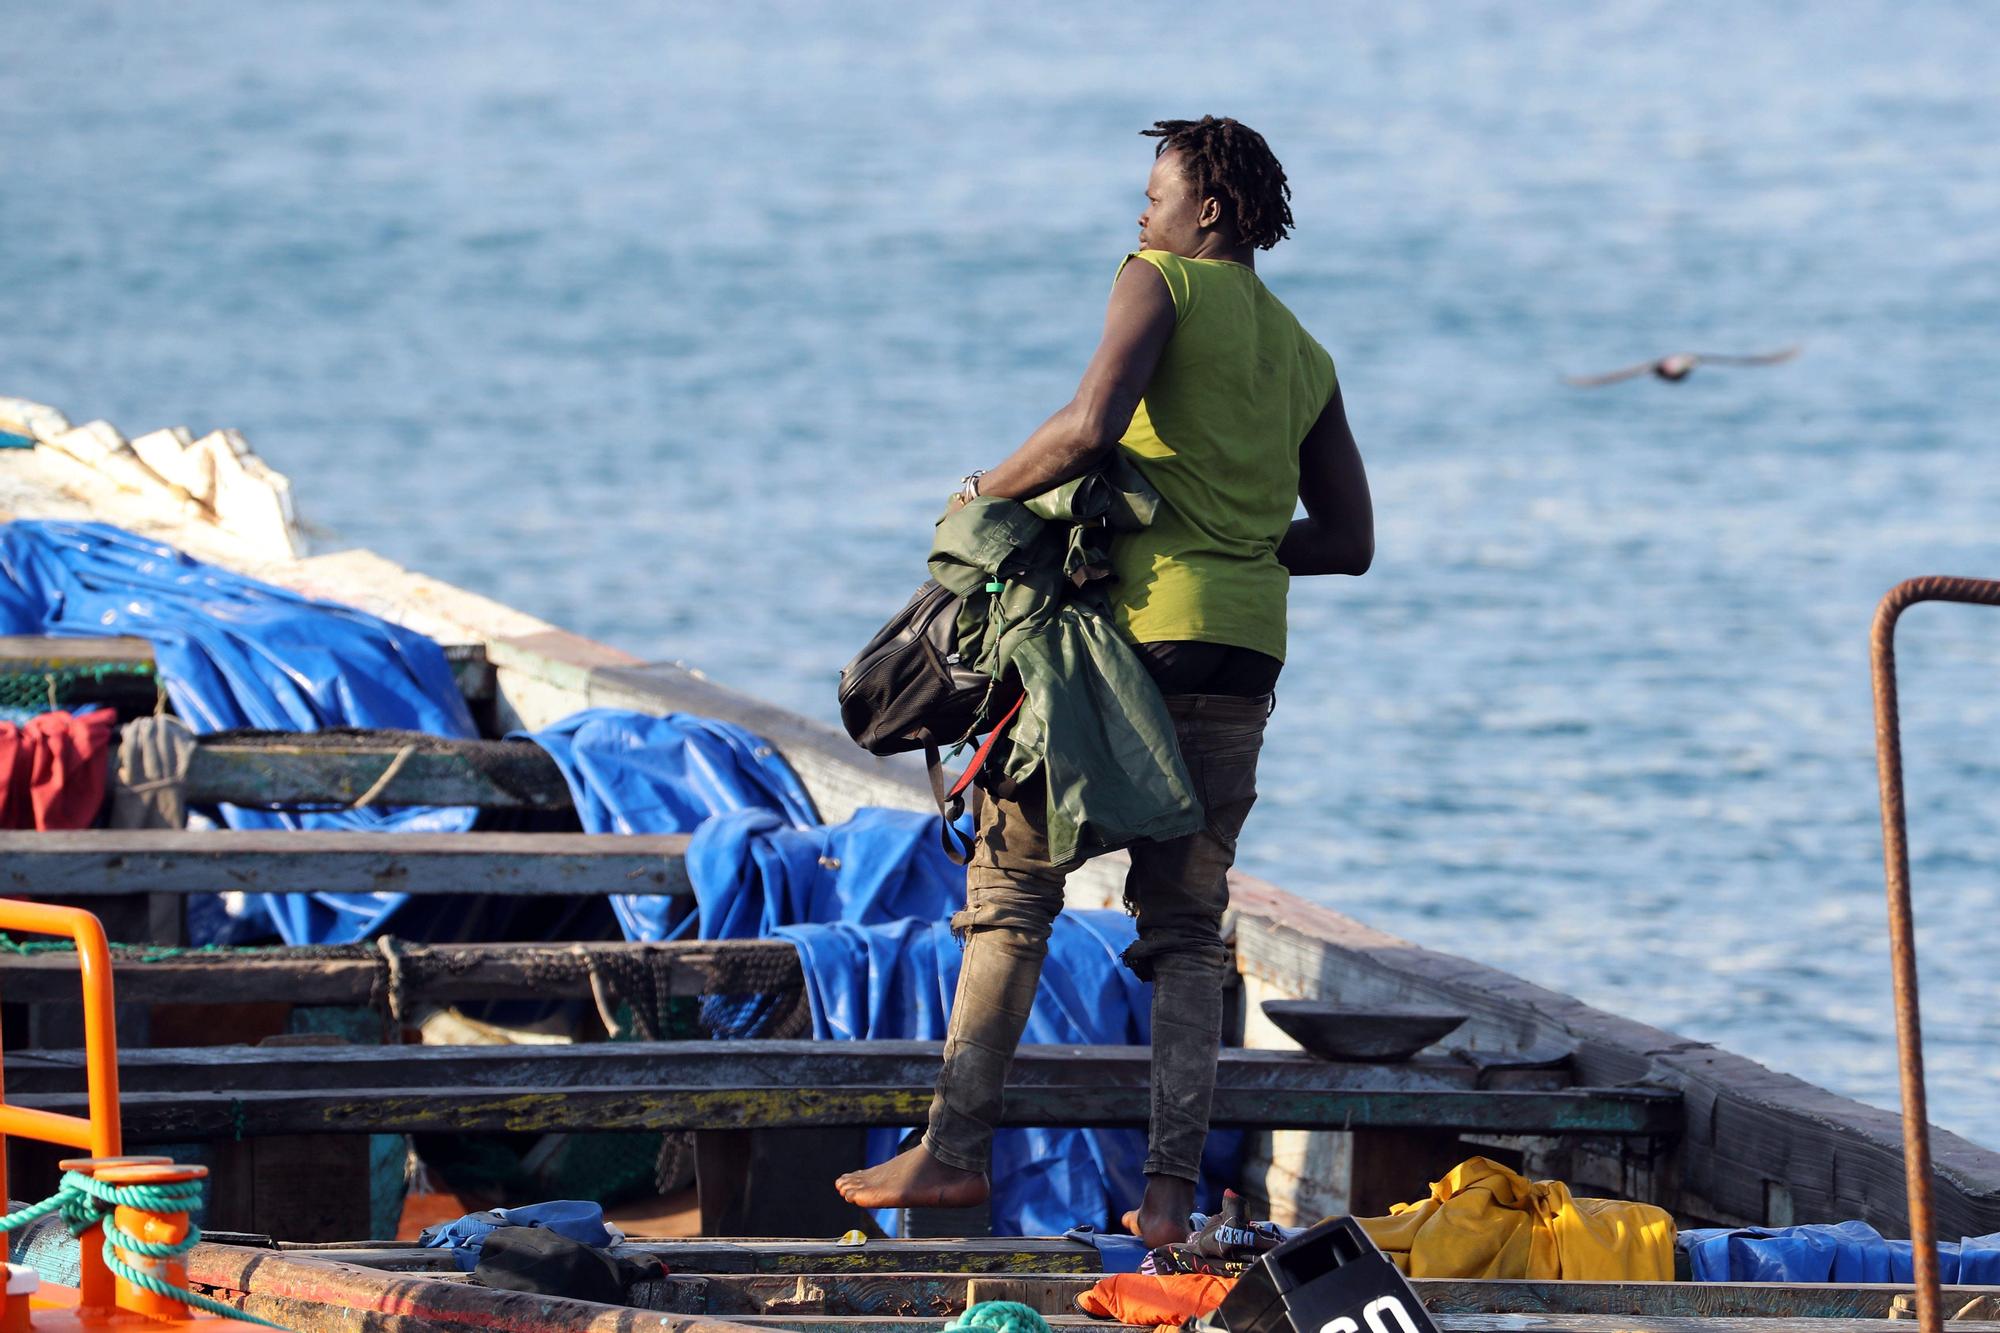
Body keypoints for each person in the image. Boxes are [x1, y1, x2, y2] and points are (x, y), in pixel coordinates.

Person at [836, 116, 1374, 1246]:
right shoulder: (1303, 352)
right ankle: (1171, 1194)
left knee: (1011, 890)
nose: (1140, 213)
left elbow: (1088, 431)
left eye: (1155, 193)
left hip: (1126, 646)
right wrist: (1231, 550)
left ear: (1206, 212)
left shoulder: (1159, 281)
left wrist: (975, 490)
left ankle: (952, 1150)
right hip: (1244, 651)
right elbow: (1348, 538)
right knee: (1185, 928)